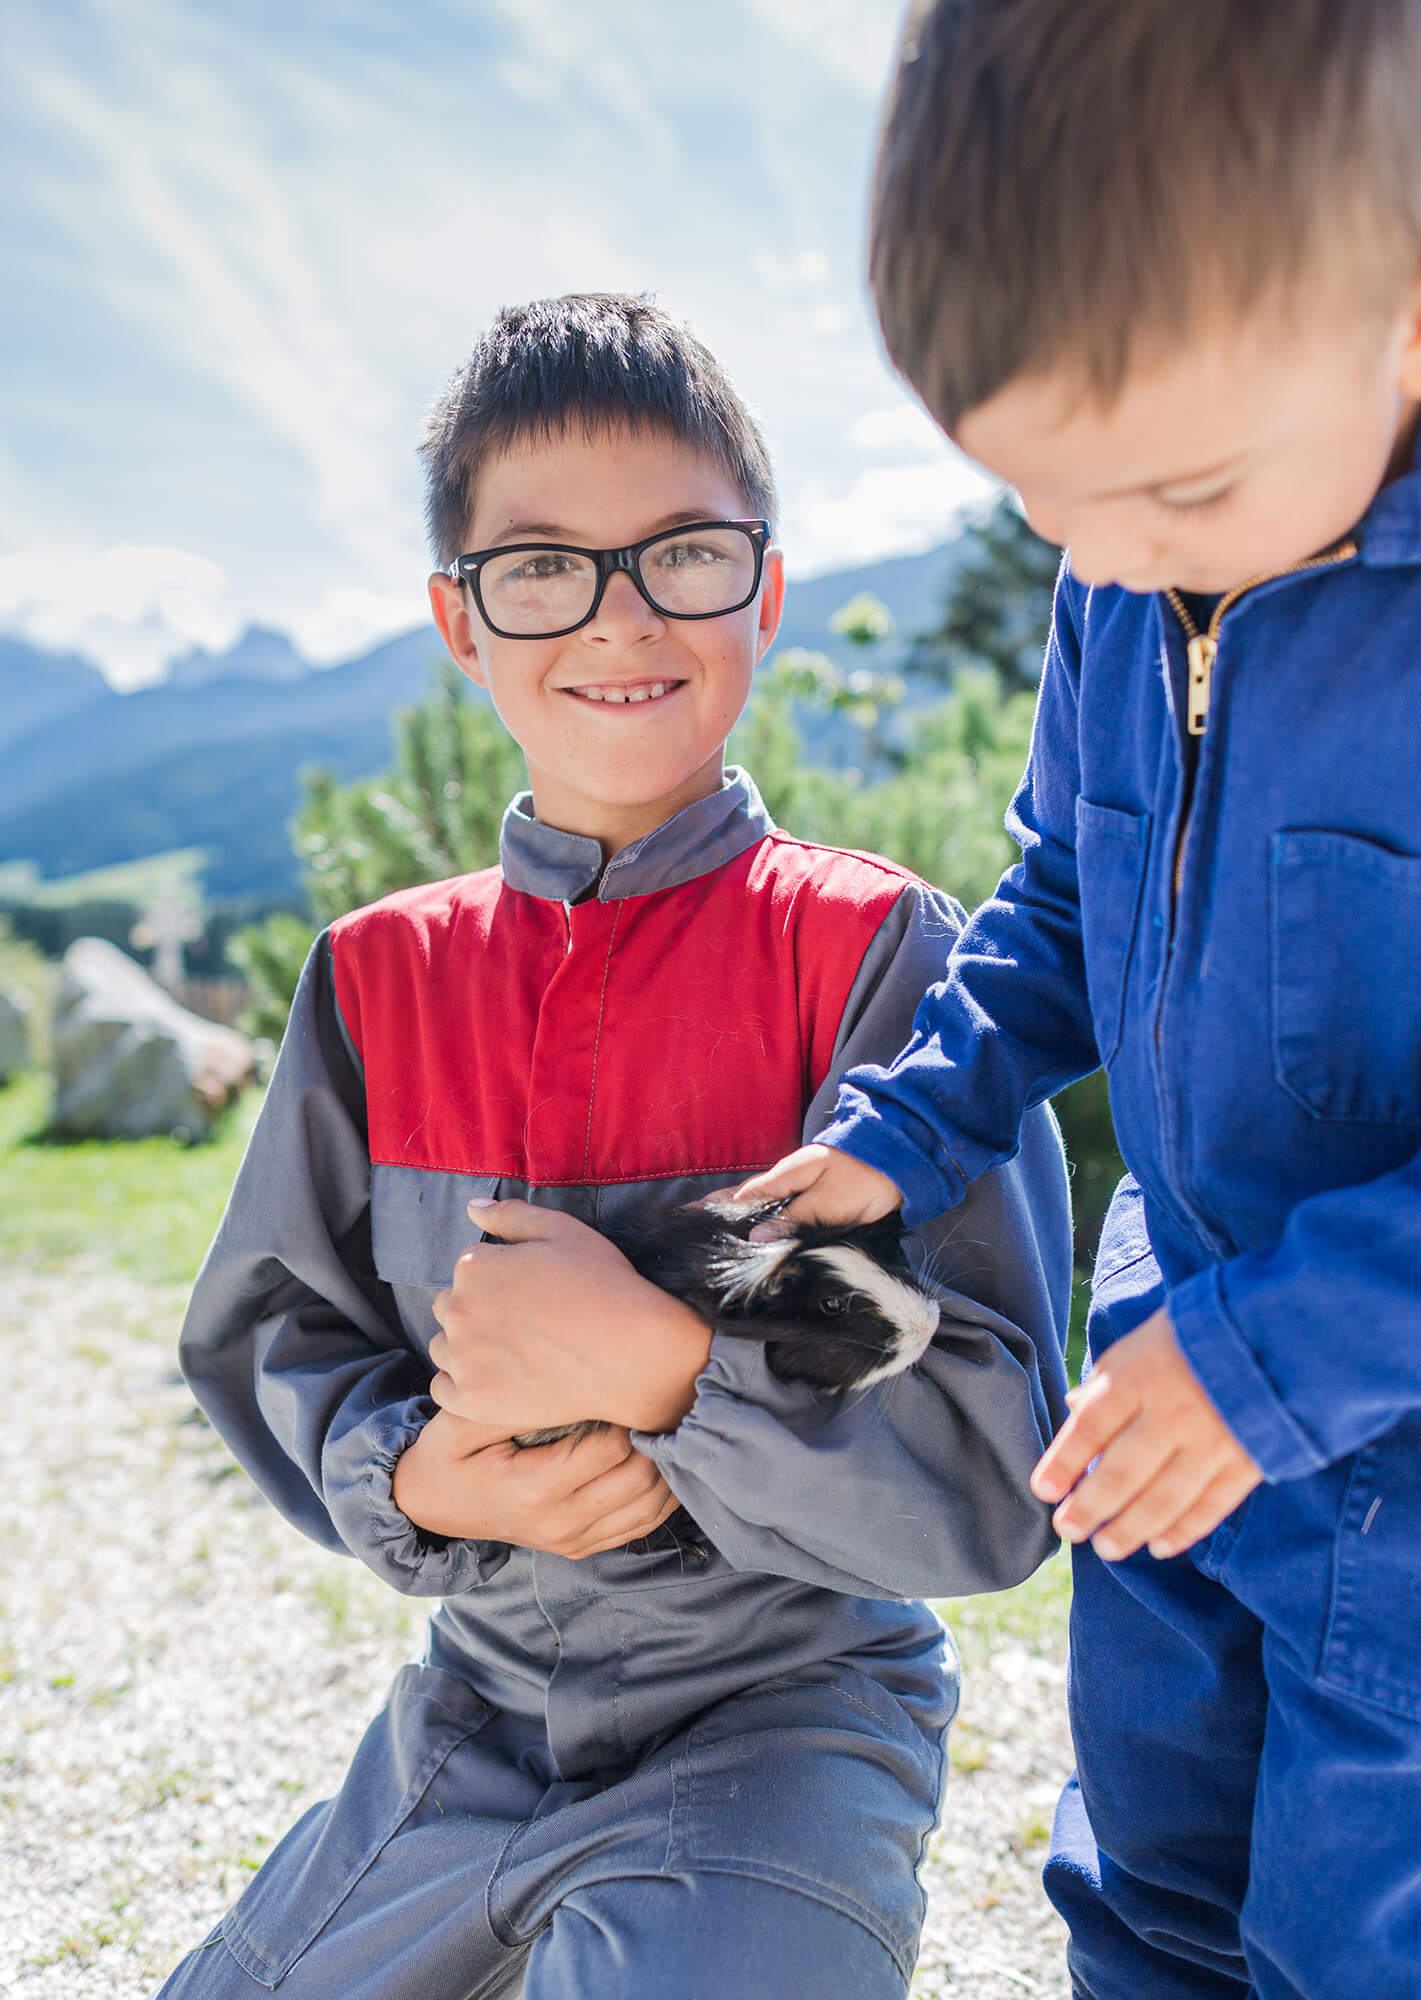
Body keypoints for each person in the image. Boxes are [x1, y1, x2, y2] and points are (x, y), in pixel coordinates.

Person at [158, 293, 1073, 2000]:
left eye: (682, 555)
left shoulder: (883, 963)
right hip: (472, 1722)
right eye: (542, 567)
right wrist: (407, 1478)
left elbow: (995, 1483)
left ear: (768, 588)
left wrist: (670, 1374)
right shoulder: (377, 980)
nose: (620, 615)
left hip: (785, 1725)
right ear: (459, 619)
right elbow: (283, 1346)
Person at [735, 5, 1421, 1996]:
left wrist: (1280, 1359)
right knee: (1144, 1892)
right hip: (1160, 1397)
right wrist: (909, 1126)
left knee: (1369, 1949)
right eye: (1035, 497)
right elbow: (1070, 894)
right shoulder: (1122, 561)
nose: (1093, 557)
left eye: (1166, 491)